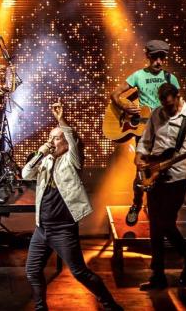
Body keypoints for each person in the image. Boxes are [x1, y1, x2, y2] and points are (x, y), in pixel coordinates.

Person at [23, 100, 122, 311]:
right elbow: (26, 174)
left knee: (79, 272)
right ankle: (40, 308)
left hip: (63, 229)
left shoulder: (72, 160)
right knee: (32, 270)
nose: (51, 142)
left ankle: (111, 306)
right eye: (49, 137)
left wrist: (62, 120)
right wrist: (40, 153)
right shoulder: (46, 160)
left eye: (56, 138)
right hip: (42, 228)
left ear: (67, 142)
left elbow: (72, 139)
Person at [136, 83, 186, 290]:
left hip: (178, 177)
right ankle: (158, 276)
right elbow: (146, 141)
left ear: (177, 97)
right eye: (163, 105)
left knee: (165, 222)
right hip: (155, 175)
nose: (166, 109)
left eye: (170, 105)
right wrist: (139, 156)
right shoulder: (157, 114)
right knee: (155, 228)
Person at [109, 39, 180, 226]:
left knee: (163, 170)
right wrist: (125, 106)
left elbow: (179, 106)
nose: (159, 62)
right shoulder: (138, 76)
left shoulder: (170, 79)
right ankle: (136, 203)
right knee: (142, 169)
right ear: (148, 56)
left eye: (162, 58)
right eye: (155, 57)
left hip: (165, 133)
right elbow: (115, 94)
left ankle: (158, 207)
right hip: (144, 131)